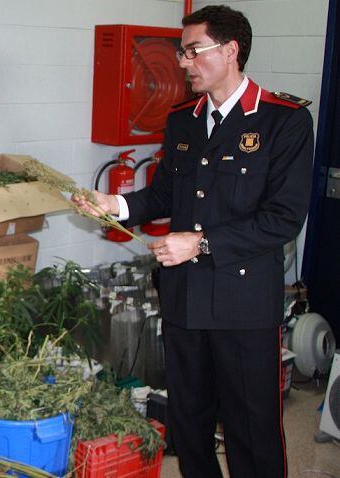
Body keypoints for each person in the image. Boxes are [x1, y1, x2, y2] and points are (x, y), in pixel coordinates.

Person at [74, 5, 314, 478]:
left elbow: (282, 220)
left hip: (244, 303)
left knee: (251, 427)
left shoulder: (282, 121)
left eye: (192, 51)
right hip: (185, 299)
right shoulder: (183, 118)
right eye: (181, 53)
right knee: (189, 420)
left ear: (230, 51)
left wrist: (198, 243)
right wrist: (114, 206)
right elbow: (164, 193)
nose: (183, 63)